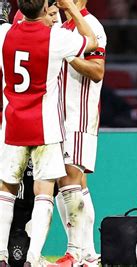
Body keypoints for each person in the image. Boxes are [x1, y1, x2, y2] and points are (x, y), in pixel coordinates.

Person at [0, 0, 97, 266]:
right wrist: (73, 9)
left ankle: (1, 255)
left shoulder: (5, 34)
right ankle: (32, 257)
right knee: (44, 192)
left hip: (12, 125)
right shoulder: (56, 37)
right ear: (45, 9)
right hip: (45, 127)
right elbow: (90, 40)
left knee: (6, 191)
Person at [54, 0, 107, 266]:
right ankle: (88, 254)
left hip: (79, 115)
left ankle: (75, 254)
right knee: (72, 185)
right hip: (60, 117)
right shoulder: (63, 26)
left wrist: (68, 55)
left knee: (70, 181)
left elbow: (97, 72)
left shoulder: (93, 27)